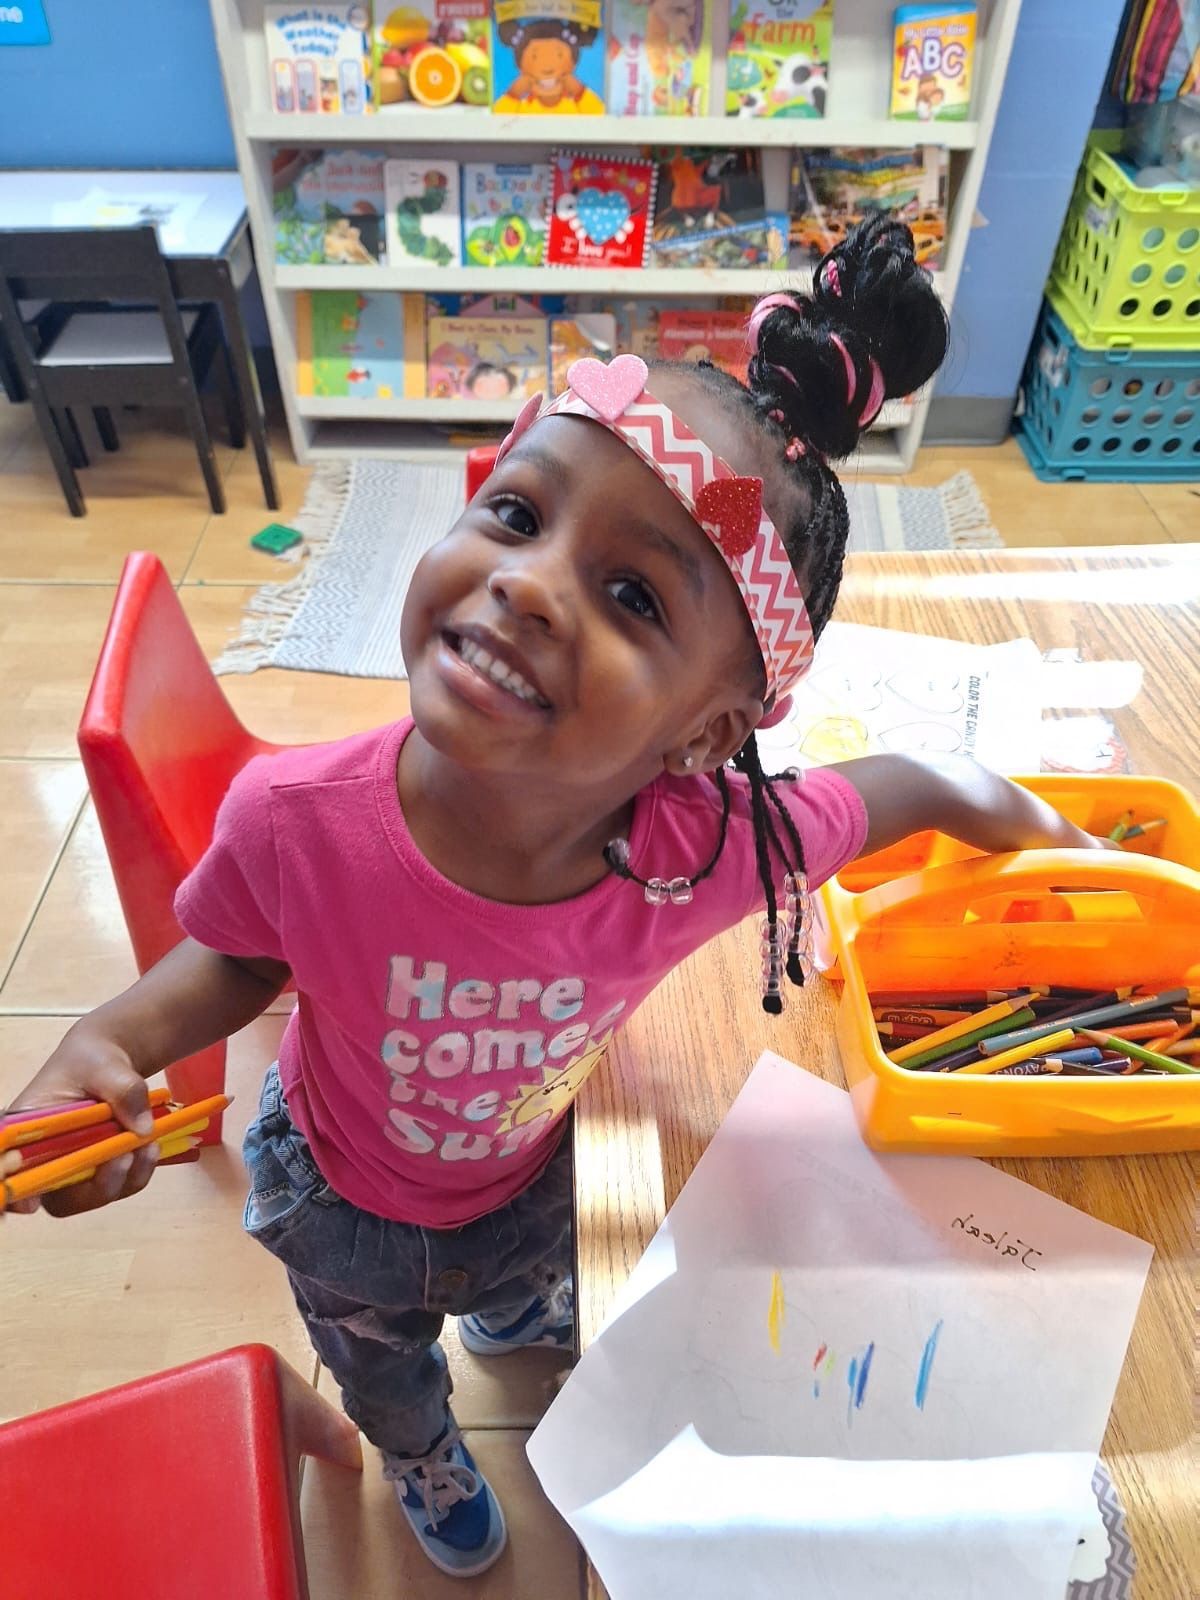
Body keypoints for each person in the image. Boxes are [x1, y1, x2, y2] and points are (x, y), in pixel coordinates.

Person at [6, 217, 1107, 1579]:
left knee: (530, 1295)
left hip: (532, 1177)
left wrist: (1039, 828)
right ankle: (420, 1450)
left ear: (704, 737)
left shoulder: (703, 850)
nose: (526, 583)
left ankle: (506, 1311)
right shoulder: (294, 819)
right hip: (344, 1205)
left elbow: (898, 787)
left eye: (633, 594)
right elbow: (231, 965)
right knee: (392, 1376)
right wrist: (99, 1048)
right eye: (517, 515)